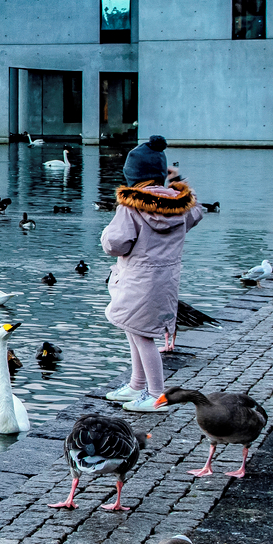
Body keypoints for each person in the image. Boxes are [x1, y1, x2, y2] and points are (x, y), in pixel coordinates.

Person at [101, 164, 201, 412]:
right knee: (134, 328)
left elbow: (115, 245)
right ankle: (137, 384)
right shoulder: (179, 204)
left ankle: (157, 395)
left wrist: (105, 234)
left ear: (134, 178)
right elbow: (197, 212)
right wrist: (178, 184)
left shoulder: (131, 206)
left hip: (138, 279)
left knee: (143, 336)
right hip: (164, 280)